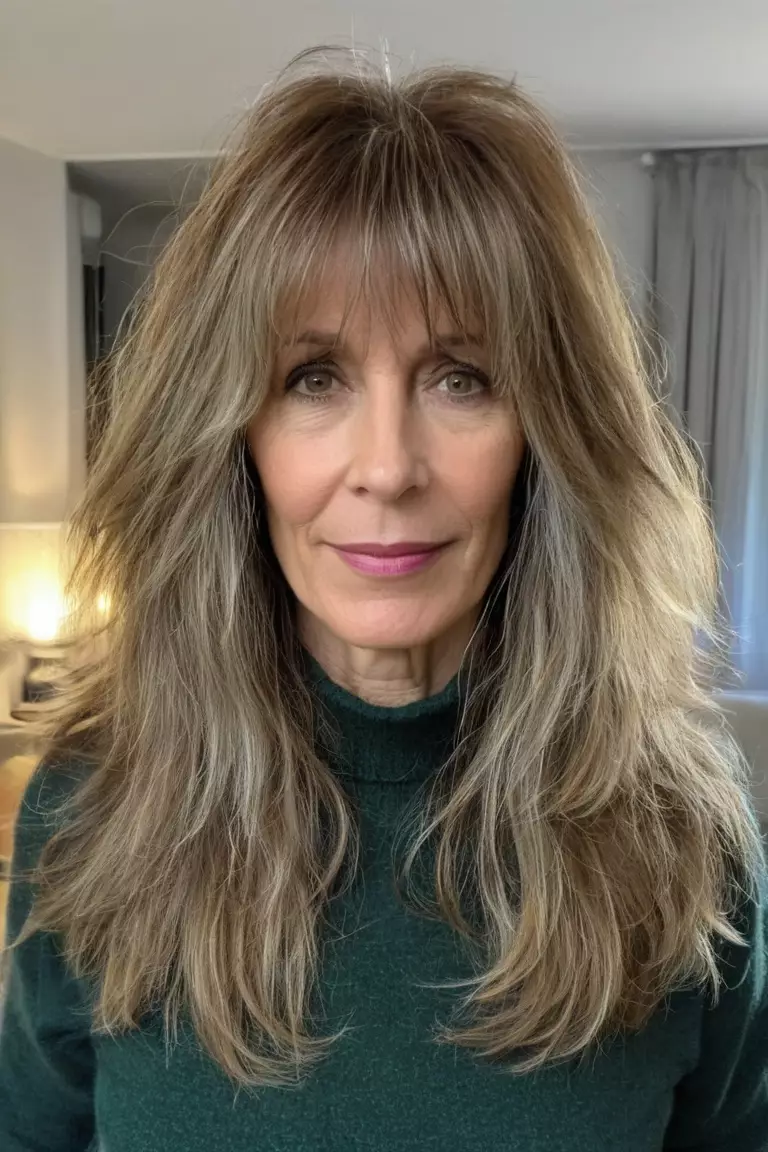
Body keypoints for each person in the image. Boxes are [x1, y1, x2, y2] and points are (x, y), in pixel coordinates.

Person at [1, 44, 766, 1152]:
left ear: (549, 432)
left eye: (464, 377)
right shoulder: (90, 807)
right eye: (313, 379)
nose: (389, 465)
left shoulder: (689, 835)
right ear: (235, 437)